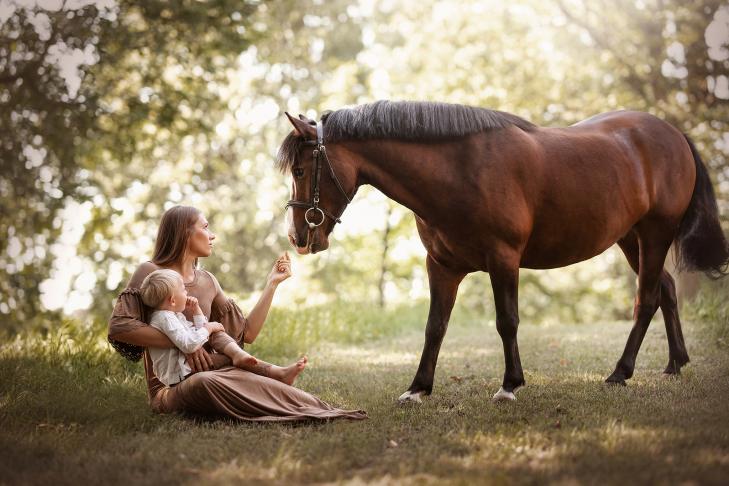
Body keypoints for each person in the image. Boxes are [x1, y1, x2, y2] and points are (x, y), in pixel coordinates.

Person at [107, 205, 366, 422]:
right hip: (171, 387)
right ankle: (287, 404)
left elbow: (248, 333)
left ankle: (320, 409)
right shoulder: (151, 273)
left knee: (247, 378)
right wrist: (187, 342)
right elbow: (120, 327)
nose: (212, 235)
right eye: (205, 227)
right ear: (184, 233)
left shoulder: (208, 281)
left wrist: (272, 283)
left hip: (214, 371)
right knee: (205, 383)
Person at [140, 268, 259, 386]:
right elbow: (189, 344)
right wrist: (209, 328)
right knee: (228, 360)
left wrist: (196, 311)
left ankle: (242, 359)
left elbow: (197, 332)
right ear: (173, 301)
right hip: (181, 372)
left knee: (226, 353)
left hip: (185, 367)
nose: (186, 292)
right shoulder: (165, 318)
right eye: (183, 290)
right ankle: (259, 369)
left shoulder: (172, 315)